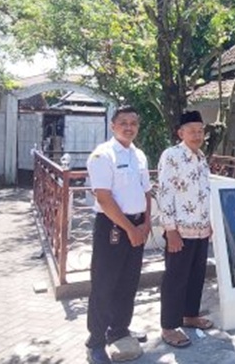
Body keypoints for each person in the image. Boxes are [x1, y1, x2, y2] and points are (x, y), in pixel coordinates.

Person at [85, 105, 151, 364]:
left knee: (128, 282)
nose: (129, 127)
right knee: (104, 285)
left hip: (137, 226)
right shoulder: (103, 155)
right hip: (113, 227)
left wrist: (146, 223)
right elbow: (104, 198)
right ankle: (96, 341)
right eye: (123, 122)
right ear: (113, 126)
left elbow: (146, 190)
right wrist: (130, 229)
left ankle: (120, 330)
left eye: (133, 123)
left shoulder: (140, 155)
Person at [156, 110, 214, 348]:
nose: (197, 135)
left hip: (201, 230)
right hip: (179, 230)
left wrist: (210, 222)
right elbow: (165, 193)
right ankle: (169, 326)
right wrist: (170, 230)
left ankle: (190, 315)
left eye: (200, 131)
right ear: (181, 133)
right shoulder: (172, 156)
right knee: (175, 279)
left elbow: (206, 192)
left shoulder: (201, 157)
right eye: (192, 131)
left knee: (196, 276)